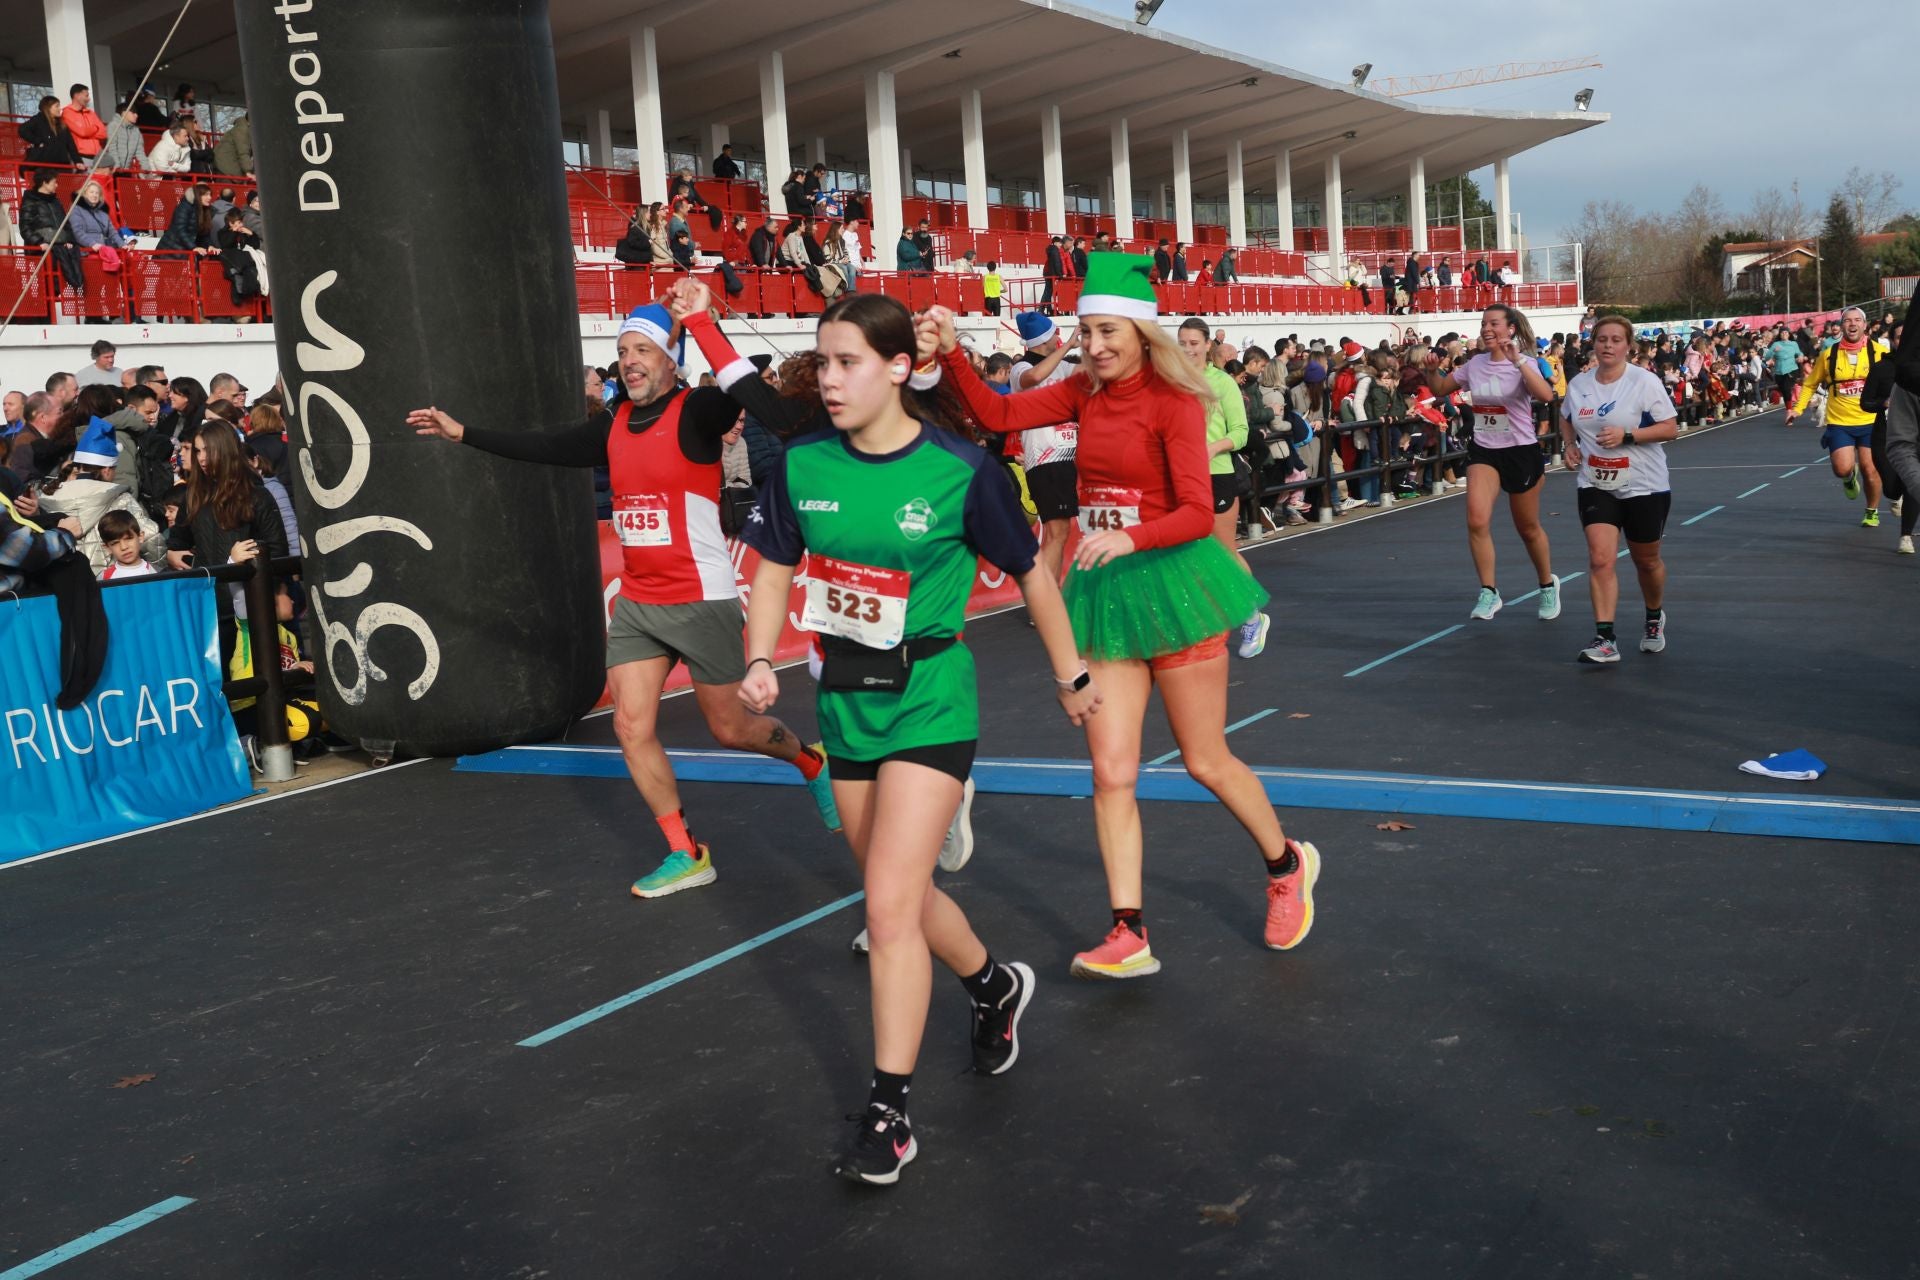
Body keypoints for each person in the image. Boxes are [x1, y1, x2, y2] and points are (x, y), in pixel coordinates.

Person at [735, 288, 1099, 1186]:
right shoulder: (802, 463)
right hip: (845, 698)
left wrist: (1071, 677)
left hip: (933, 698)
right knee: (890, 886)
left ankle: (889, 1114)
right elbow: (776, 565)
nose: (828, 379)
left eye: (847, 361)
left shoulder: (959, 470)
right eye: (821, 362)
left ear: (898, 368)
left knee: (888, 909)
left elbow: (1030, 575)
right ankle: (993, 986)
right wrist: (757, 658)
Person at [928, 252, 1321, 979]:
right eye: (1086, 331)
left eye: (1108, 330)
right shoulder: (1080, 391)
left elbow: (1200, 513)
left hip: (1175, 587)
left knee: (1205, 759)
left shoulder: (1175, 402)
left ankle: (1287, 863)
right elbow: (996, 413)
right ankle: (1127, 930)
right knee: (1111, 772)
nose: (1095, 344)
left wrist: (1130, 534)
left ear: (1142, 332)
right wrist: (952, 348)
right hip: (1107, 596)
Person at [407, 302, 843, 897]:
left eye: (641, 349)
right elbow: (546, 446)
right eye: (621, 352)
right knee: (631, 726)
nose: (628, 361)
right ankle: (685, 851)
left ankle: (810, 762)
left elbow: (752, 391)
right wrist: (465, 434)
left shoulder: (701, 409)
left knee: (731, 729)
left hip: (700, 598)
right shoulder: (610, 424)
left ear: (670, 358)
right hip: (639, 602)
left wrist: (700, 323)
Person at [1425, 305, 1560, 621]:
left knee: (1526, 527)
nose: (1487, 329)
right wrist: (1432, 371)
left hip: (1520, 450)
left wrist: (1517, 362)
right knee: (1476, 519)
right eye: (1483, 323)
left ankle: (1547, 584)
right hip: (1485, 450)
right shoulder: (1475, 365)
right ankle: (1489, 590)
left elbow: (1546, 395)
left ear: (1510, 329)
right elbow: (1441, 389)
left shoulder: (1524, 363)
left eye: (1494, 323)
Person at [1558, 314, 1679, 664]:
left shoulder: (1644, 382)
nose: (1608, 345)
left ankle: (1654, 616)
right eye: (1601, 339)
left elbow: (1669, 428)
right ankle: (1605, 638)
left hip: (1646, 485)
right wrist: (1569, 445)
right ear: (1593, 344)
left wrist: (1629, 436)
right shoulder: (1581, 383)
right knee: (1600, 559)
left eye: (1615, 340)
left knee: (1647, 561)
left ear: (1628, 346)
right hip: (1596, 482)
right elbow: (1565, 415)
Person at [1176, 317, 1268, 657]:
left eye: (1194, 342)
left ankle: (1251, 617)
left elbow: (1242, 432)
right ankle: (1201, 623)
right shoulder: (1171, 383)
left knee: (1222, 554)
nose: (1187, 349)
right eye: (1182, 342)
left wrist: (1211, 448)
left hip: (1216, 475)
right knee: (1185, 555)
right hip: (1179, 477)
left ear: (1207, 345)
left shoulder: (1222, 383)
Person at [1787, 306, 1891, 528]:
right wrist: (1797, 408)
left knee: (1870, 469)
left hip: (1871, 421)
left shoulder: (1879, 352)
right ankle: (1848, 477)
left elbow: (1898, 380)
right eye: (1847, 321)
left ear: (1865, 325)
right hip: (1840, 422)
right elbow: (1810, 384)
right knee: (1842, 468)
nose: (1852, 324)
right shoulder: (1828, 355)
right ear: (1841, 326)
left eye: (1857, 320)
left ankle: (1871, 511)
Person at [1009, 312, 1080, 585]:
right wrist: (1070, 343)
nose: (1059, 336)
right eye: (1054, 333)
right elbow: (1033, 377)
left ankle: (1050, 593)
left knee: (1060, 531)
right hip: (1044, 459)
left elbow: (1092, 371)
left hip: (1066, 458)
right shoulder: (1020, 368)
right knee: (1056, 532)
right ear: (1044, 339)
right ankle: (1045, 598)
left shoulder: (1061, 366)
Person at [96, 508, 158, 579]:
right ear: (108, 548)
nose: (124, 547)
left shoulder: (157, 573)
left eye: (128, 538)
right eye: (115, 543)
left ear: (140, 537)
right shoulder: (104, 578)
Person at [20, 95, 78, 169]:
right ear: (48, 108)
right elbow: (22, 130)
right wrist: (38, 141)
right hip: (44, 165)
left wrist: (77, 161)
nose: (60, 109)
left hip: (62, 164)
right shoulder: (38, 120)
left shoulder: (62, 124)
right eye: (57, 106)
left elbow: (70, 144)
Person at [60, 85, 105, 161]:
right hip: (81, 155)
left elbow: (104, 133)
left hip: (98, 156)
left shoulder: (90, 113)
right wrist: (96, 128)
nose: (88, 99)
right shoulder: (67, 113)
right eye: (86, 96)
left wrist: (88, 132)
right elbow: (82, 132)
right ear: (77, 95)